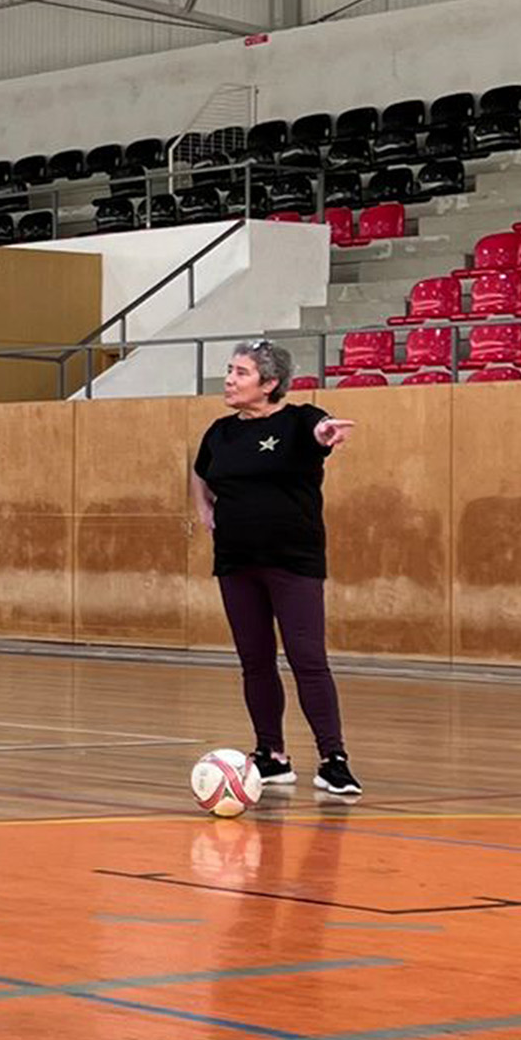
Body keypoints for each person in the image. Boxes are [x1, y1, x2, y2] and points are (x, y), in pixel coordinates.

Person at [190, 341, 360, 797]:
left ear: (269, 384)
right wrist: (203, 508)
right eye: (230, 370)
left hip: (293, 561)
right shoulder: (219, 432)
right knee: (255, 662)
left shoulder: (299, 420)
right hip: (235, 562)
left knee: (308, 660)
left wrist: (327, 434)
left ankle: (333, 760)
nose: (229, 379)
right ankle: (272, 755)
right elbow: (201, 472)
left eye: (241, 373)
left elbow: (321, 431)